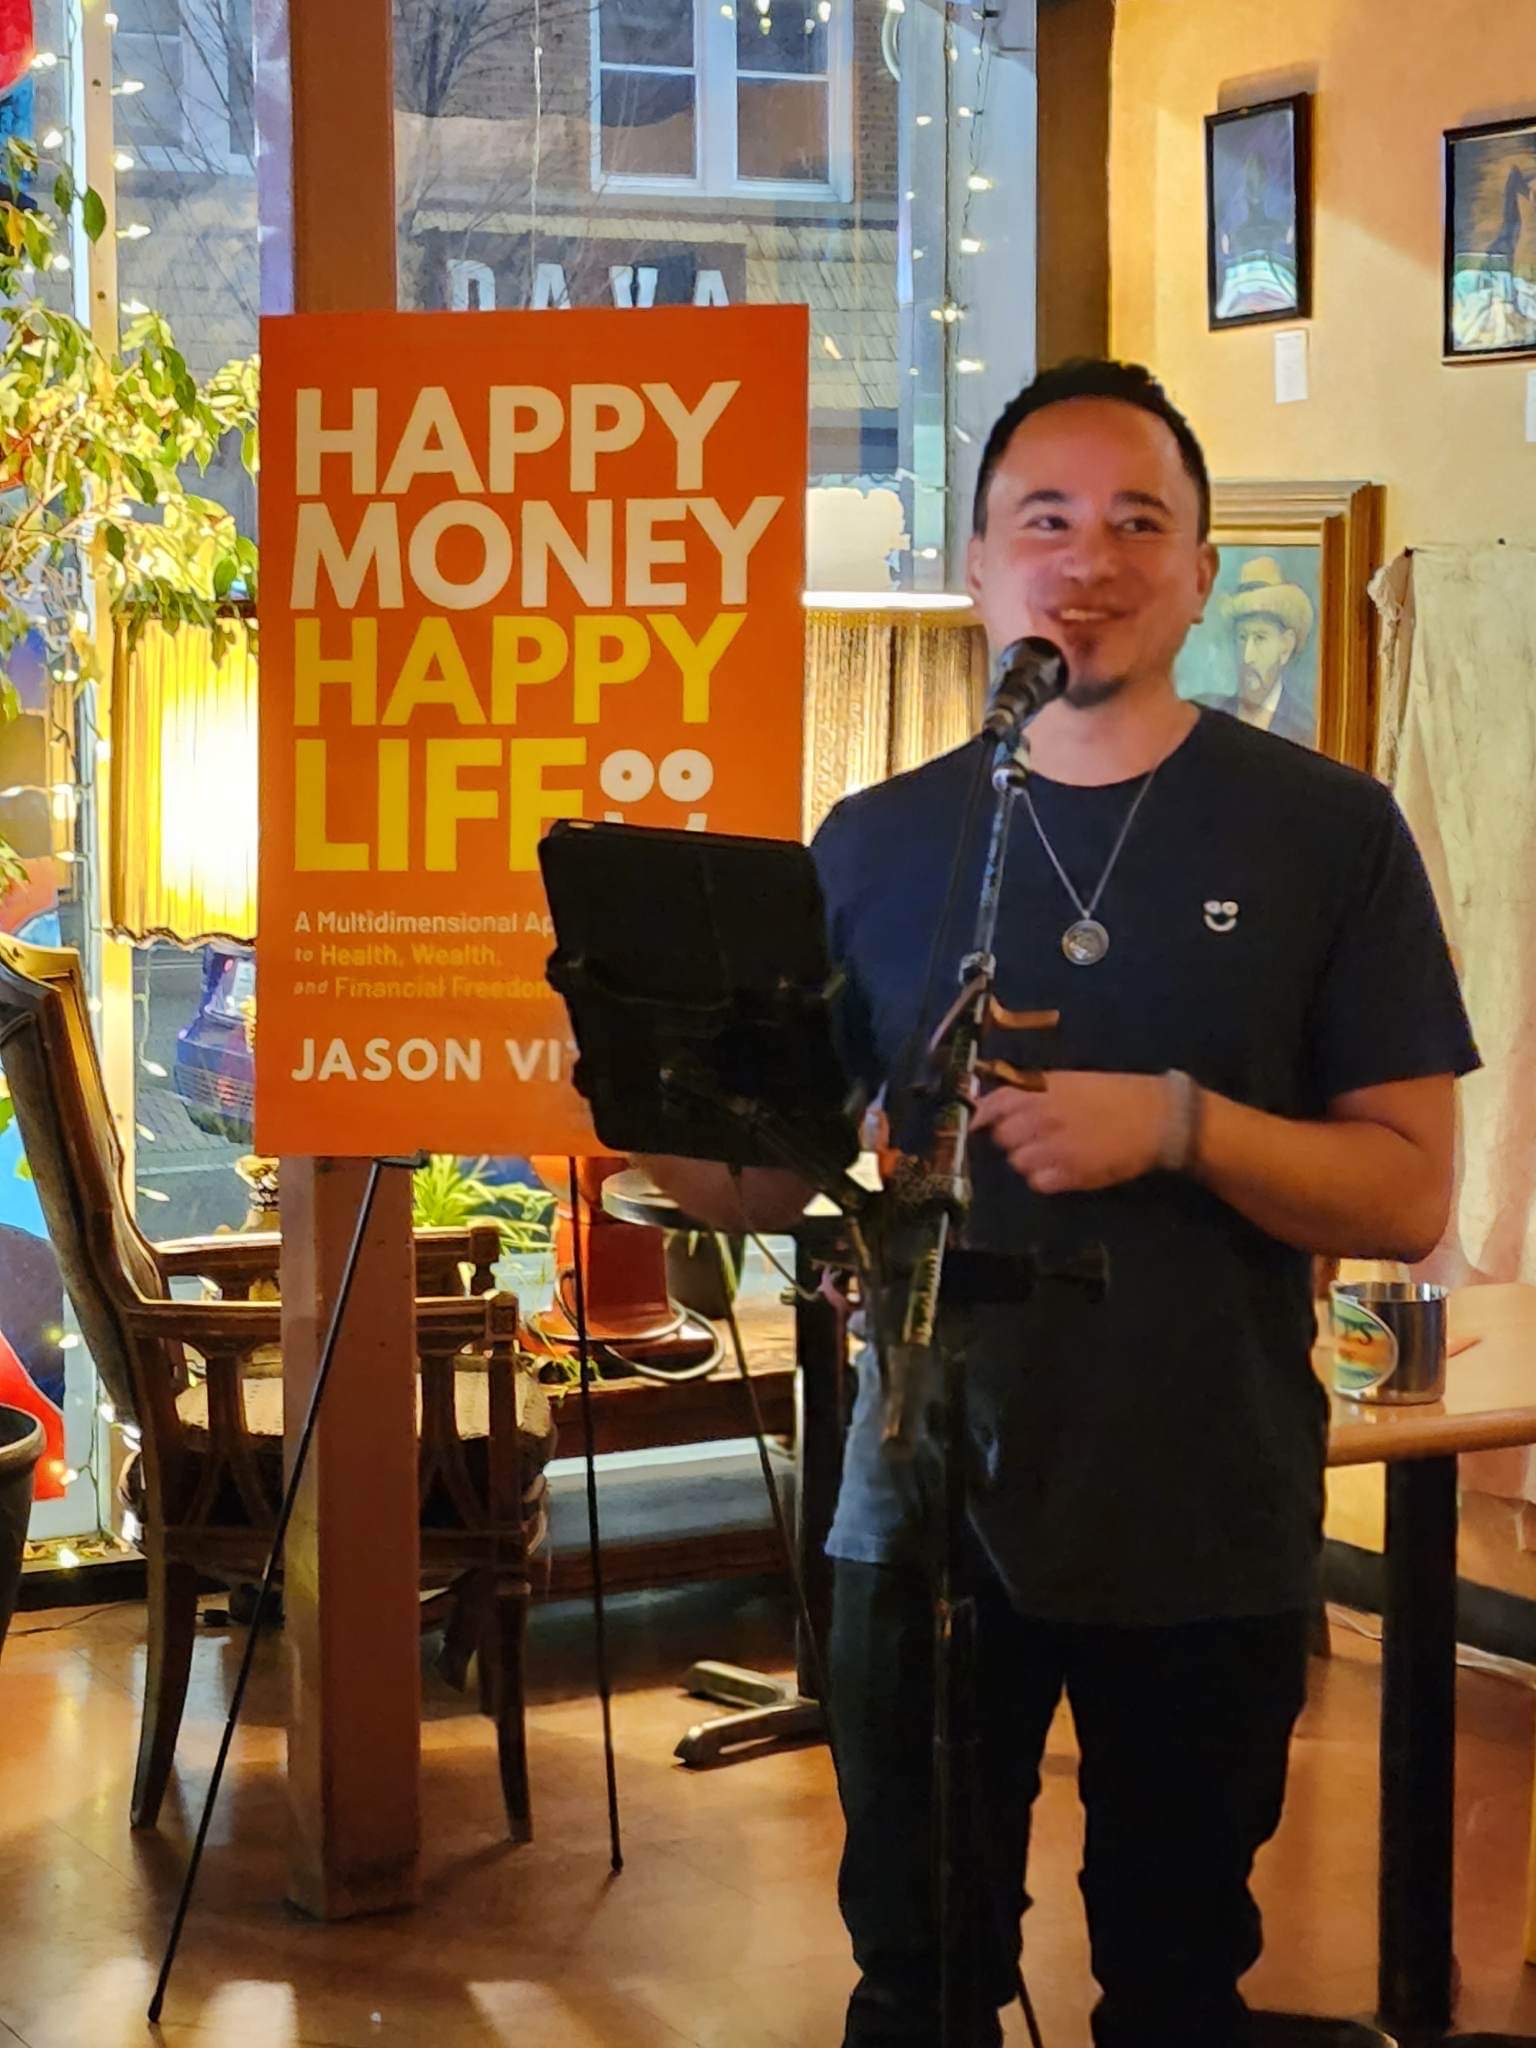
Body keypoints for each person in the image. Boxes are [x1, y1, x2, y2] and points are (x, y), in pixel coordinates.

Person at [640, 357, 1478, 2048]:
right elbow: (765, 1169)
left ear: (1196, 570)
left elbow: (1405, 1187)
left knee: (1176, 1978)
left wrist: (1175, 1124)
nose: (1085, 560)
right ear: (978, 565)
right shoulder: (876, 840)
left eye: (1133, 522)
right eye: (1045, 521)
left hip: (1204, 1487)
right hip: (919, 1497)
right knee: (918, 1972)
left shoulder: (1327, 831)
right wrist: (629, 1086)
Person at [1197, 555, 1317, 745]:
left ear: (1285, 646)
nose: (1247, 657)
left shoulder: (1307, 730)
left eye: (1260, 638)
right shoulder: (1206, 719)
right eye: (1242, 638)